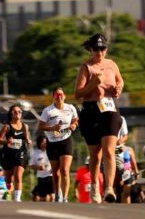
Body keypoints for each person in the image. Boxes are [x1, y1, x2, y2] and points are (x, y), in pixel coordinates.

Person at [75, 33, 124, 203]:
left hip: (109, 110)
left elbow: (120, 81)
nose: (99, 52)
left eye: (103, 48)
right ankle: (95, 186)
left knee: (109, 151)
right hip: (91, 111)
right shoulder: (86, 67)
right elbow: (78, 93)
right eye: (96, 49)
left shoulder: (112, 64)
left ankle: (109, 188)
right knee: (95, 156)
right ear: (90, 50)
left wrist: (118, 89)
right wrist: (93, 84)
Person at [38, 85, 79, 202]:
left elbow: (76, 119)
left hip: (66, 141)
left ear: (64, 96)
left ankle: (65, 197)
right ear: (53, 97)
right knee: (55, 173)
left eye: (61, 94)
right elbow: (41, 126)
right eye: (57, 95)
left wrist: (74, 124)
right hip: (52, 142)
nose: (59, 97)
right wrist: (53, 128)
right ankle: (57, 194)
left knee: (64, 170)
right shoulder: (48, 111)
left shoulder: (70, 108)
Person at [0, 103, 31, 202]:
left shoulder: (25, 126)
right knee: (8, 178)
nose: (17, 113)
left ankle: (17, 198)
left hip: (21, 153)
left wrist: (28, 141)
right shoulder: (7, 127)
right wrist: (6, 141)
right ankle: (8, 191)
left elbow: (27, 138)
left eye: (19, 111)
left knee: (18, 175)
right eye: (15, 112)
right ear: (11, 113)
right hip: (8, 154)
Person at [30, 135, 55, 202]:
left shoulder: (51, 151)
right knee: (38, 197)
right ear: (39, 143)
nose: (44, 144)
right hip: (41, 177)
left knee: (51, 196)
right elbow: (31, 166)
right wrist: (38, 167)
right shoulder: (35, 153)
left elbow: (57, 162)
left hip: (50, 176)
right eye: (43, 142)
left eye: (46, 142)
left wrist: (54, 169)